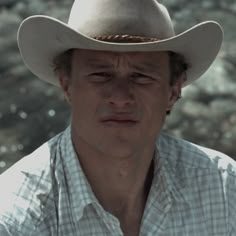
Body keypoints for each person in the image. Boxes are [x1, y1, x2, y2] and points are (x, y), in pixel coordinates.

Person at [0, 0, 235, 235]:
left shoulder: (224, 191)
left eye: (141, 76)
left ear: (173, 90)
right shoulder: (14, 221)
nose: (120, 97)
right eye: (100, 75)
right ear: (67, 85)